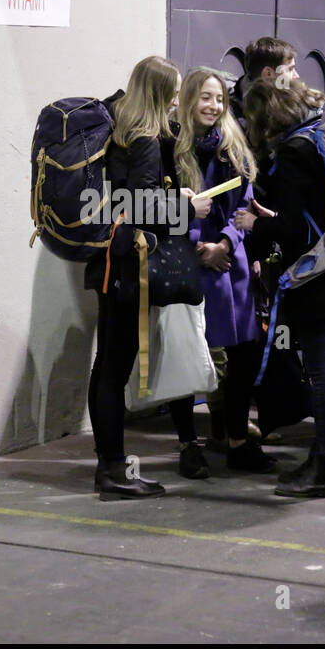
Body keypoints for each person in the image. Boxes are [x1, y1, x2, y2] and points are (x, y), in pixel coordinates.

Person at [83, 56, 212, 499]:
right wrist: (185, 209)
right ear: (158, 93)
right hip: (126, 269)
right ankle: (113, 471)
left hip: (111, 266)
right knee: (113, 370)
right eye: (174, 91)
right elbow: (136, 208)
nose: (179, 98)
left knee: (107, 369)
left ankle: (111, 467)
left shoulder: (123, 132)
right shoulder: (144, 139)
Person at [237, 78, 325, 497]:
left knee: (321, 370)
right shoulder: (320, 137)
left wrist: (256, 223)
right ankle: (323, 460)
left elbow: (288, 227)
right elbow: (310, 212)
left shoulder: (292, 151)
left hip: (312, 274)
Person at [167, 68, 275, 477]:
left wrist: (225, 244)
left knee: (244, 357)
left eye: (219, 99)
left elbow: (245, 205)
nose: (213, 106)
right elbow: (162, 207)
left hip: (232, 265)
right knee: (185, 358)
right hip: (189, 266)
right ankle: (187, 445)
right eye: (205, 98)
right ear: (189, 100)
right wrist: (198, 249)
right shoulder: (171, 149)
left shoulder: (234, 147)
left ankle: (235, 441)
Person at [230, 37, 298, 123]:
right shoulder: (230, 115)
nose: (296, 76)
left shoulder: (293, 104)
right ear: (268, 74)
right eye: (290, 69)